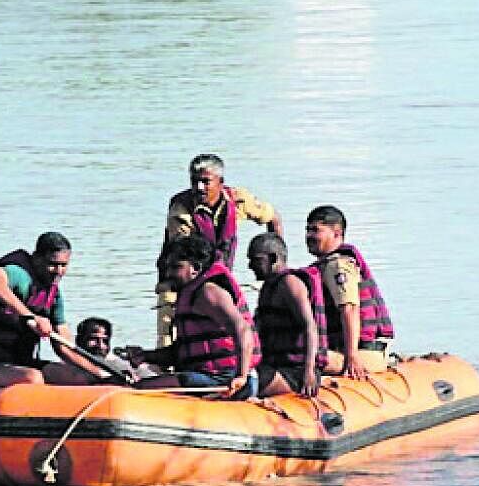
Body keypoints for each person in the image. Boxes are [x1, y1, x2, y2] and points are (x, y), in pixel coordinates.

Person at [154, 153, 283, 347]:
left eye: (206, 182)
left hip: (219, 274)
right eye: (194, 181)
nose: (199, 188)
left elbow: (273, 218)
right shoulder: (181, 209)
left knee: (230, 327)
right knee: (170, 327)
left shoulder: (238, 199)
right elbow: (184, 255)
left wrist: (276, 266)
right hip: (180, 276)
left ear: (220, 182)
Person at [0, 232, 106, 391]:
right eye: (53, 264)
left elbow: (64, 347)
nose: (58, 271)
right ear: (37, 258)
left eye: (64, 265)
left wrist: (100, 374)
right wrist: (29, 317)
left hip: (23, 363)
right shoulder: (19, 275)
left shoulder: (53, 297)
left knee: (80, 378)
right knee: (32, 378)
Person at [127, 235, 261, 400]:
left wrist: (241, 376)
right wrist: (146, 356)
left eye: (175, 267)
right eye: (168, 267)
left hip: (225, 378)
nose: (169, 273)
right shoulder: (190, 295)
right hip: (207, 375)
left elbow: (242, 329)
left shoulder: (208, 292)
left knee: (138, 391)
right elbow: (185, 352)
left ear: (195, 269)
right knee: (137, 383)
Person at [304, 206, 395, 379]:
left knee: (297, 360)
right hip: (353, 350)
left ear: (337, 233)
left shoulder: (337, 266)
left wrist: (352, 356)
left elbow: (350, 309)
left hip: (363, 352)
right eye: (307, 230)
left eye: (316, 230)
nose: (309, 236)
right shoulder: (329, 264)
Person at [247, 233, 328, 398]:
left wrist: (309, 371)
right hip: (275, 366)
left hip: (295, 372)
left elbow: (310, 327)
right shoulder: (268, 287)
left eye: (255, 260)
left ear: (272, 258)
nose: (250, 266)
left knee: (250, 382)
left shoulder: (290, 283)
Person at [75, 316, 157, 381]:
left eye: (105, 341)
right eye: (93, 339)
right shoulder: (66, 366)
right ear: (78, 341)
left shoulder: (118, 365)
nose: (100, 346)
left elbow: (152, 380)